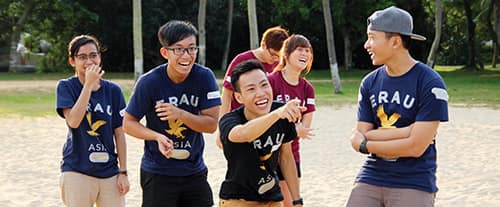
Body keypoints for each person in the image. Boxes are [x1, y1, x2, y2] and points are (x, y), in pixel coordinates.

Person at [347, 6, 449, 207]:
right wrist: (407, 131)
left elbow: (416, 147)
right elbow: (362, 132)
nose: (367, 44)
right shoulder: (369, 83)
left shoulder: (430, 82)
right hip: (372, 174)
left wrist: (366, 145)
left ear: (394, 41)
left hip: (414, 180)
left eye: (372, 37)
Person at [123, 20, 220, 207]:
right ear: (165, 52)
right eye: (179, 49)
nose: (187, 55)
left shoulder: (204, 77)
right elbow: (128, 123)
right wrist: (156, 136)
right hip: (158, 171)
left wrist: (180, 114)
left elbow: (211, 125)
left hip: (194, 171)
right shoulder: (149, 82)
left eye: (192, 48)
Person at [218, 60, 304, 207]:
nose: (261, 93)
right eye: (251, 89)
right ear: (239, 97)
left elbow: (286, 158)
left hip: (273, 198)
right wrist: (276, 114)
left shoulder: (281, 114)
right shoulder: (229, 120)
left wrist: (297, 200)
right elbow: (243, 134)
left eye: (264, 85)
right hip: (238, 200)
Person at [56, 35, 129, 207]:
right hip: (77, 169)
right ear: (72, 61)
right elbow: (73, 121)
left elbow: (119, 133)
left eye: (93, 55)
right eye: (82, 57)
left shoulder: (113, 91)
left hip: (109, 171)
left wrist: (123, 171)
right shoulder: (66, 87)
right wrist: (88, 85)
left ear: (100, 58)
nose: (89, 61)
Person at [217, 26, 289, 148]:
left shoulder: (278, 64)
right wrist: (221, 128)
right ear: (263, 45)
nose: (275, 59)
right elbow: (227, 93)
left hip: (265, 119)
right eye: (273, 54)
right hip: (242, 120)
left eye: (279, 56)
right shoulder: (242, 59)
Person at [267, 34, 315, 207]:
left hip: (292, 155)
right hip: (267, 153)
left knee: (291, 203)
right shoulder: (271, 81)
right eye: (300, 49)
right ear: (286, 54)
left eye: (307, 50)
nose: (305, 54)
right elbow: (262, 118)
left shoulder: (307, 88)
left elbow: (304, 128)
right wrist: (294, 127)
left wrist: (296, 128)